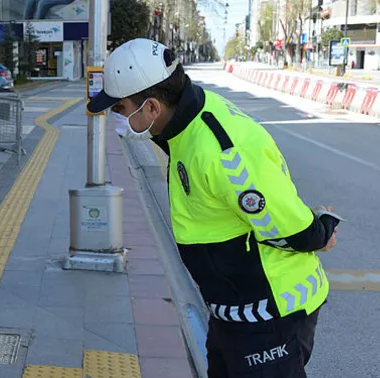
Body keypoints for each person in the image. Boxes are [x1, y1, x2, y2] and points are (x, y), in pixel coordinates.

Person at [87, 38, 341, 378]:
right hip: (232, 310)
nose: (118, 118)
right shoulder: (185, 126)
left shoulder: (221, 152)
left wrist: (320, 233)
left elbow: (287, 225)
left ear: (151, 107)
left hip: (271, 314)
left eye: (120, 109)